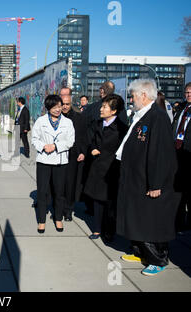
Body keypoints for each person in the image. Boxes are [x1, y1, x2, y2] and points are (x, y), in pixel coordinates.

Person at [116, 79, 179, 276]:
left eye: (133, 96)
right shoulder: (141, 115)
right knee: (136, 218)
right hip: (135, 179)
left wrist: (156, 183)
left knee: (150, 221)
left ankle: (157, 259)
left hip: (149, 181)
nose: (131, 99)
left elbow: (160, 153)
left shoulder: (157, 117)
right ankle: (140, 252)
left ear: (144, 95)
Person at [83, 94, 128, 241]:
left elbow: (122, 150)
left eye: (104, 107)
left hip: (112, 169)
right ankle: (97, 229)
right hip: (97, 167)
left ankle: (109, 231)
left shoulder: (121, 128)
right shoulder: (97, 124)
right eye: (102, 106)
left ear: (114, 111)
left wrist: (104, 152)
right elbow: (90, 141)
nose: (101, 109)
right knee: (97, 199)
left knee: (110, 202)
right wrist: (92, 149)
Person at [31, 94, 75, 233]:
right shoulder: (40, 121)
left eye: (59, 106)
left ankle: (58, 218)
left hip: (61, 162)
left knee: (59, 192)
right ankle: (41, 221)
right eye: (54, 107)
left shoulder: (68, 123)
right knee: (43, 192)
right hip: (44, 160)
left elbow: (70, 141)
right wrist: (44, 146)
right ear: (48, 108)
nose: (57, 109)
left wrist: (55, 146)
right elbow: (34, 139)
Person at [61, 92, 87, 222]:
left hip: (73, 155)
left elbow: (82, 136)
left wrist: (82, 152)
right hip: (58, 155)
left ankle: (68, 210)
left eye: (67, 104)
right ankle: (59, 209)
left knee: (70, 184)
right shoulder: (55, 117)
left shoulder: (78, 118)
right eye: (63, 104)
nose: (65, 107)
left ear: (71, 104)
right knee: (59, 183)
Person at [172, 82, 191, 233]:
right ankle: (178, 223)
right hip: (177, 153)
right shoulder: (181, 108)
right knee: (178, 192)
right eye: (187, 92)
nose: (188, 95)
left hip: (188, 154)